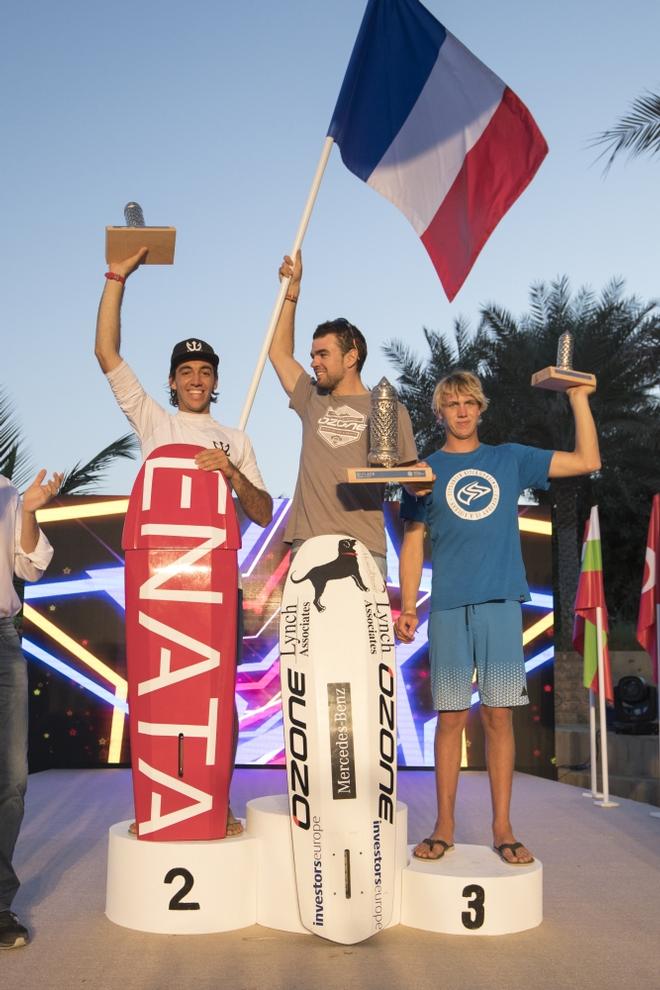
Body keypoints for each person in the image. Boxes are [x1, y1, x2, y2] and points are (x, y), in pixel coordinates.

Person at [95, 247, 273, 836]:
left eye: (206, 372)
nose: (196, 380)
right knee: (161, 695)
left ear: (216, 382)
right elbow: (107, 353)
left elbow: (262, 509)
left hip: (214, 584)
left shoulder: (236, 439)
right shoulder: (154, 423)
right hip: (160, 586)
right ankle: (162, 803)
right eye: (186, 372)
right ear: (173, 382)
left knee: (214, 700)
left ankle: (212, 801)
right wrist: (117, 276)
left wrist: (231, 473)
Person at [395, 370, 600, 864]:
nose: (461, 412)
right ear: (439, 412)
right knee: (449, 718)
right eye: (452, 404)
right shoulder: (423, 470)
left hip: (501, 603)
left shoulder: (508, 458)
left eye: (470, 403)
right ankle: (442, 827)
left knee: (498, 715)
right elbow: (414, 541)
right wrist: (405, 606)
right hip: (447, 606)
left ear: (481, 409)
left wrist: (578, 400)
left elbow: (588, 460)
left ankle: (503, 827)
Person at [269, 251, 419, 578]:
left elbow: (413, 483)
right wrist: (292, 291)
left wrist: (422, 480)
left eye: (323, 354)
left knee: (360, 633)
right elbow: (278, 352)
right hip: (308, 545)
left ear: (351, 357)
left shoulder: (388, 409)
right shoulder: (312, 398)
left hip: (363, 548)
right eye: (312, 355)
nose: (313, 362)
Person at [1, 468, 62, 948]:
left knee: (12, 780)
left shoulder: (6, 490)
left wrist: (30, 511)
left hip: (3, 641)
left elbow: (30, 566)